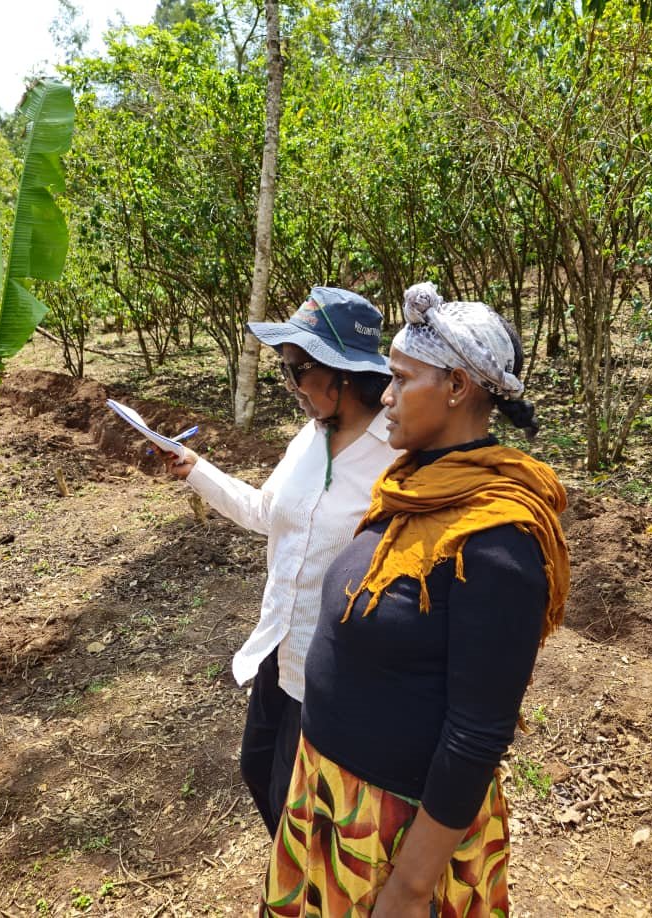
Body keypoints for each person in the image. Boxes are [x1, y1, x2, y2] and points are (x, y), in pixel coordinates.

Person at [260, 282, 570, 916]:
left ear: (456, 387)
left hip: (393, 832)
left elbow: (477, 735)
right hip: (328, 795)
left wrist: (407, 888)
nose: (386, 397)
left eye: (399, 380)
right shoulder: (408, 487)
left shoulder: (497, 540)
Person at [162, 287, 401, 838]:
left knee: (299, 803)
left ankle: (307, 889)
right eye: (284, 368)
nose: (289, 385)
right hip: (280, 645)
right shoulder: (310, 437)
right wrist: (195, 467)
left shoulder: (396, 455)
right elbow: (267, 511)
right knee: (258, 768)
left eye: (297, 369)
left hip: (337, 667)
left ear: (344, 374)